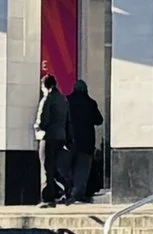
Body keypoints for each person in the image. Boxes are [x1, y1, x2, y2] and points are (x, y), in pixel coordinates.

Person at [35, 71, 71, 206]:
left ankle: (47, 198)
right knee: (54, 167)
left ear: (44, 86)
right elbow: (67, 121)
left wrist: (36, 126)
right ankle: (67, 187)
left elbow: (42, 121)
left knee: (46, 167)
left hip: (48, 136)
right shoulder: (63, 99)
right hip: (60, 136)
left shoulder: (47, 99)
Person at [67, 76, 105, 203]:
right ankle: (78, 193)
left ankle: (68, 191)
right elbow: (99, 120)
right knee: (82, 169)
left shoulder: (68, 101)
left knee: (69, 167)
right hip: (86, 141)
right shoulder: (90, 103)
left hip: (70, 140)